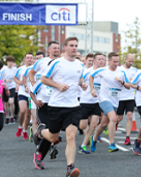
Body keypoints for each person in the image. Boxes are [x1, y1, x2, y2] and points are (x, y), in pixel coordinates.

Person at [33, 37, 86, 177]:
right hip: (56, 106)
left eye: (76, 45)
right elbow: (44, 78)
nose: (74, 48)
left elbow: (79, 78)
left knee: (71, 136)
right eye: (71, 45)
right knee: (52, 136)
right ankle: (40, 133)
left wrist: (82, 84)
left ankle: (70, 167)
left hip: (73, 106)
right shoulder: (57, 63)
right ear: (66, 48)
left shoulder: (80, 65)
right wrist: (58, 85)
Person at [89, 52, 130, 153]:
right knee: (113, 119)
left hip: (115, 101)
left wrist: (122, 82)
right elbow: (91, 76)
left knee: (103, 124)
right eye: (114, 61)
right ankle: (112, 144)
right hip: (104, 99)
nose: (116, 63)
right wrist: (92, 89)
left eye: (118, 61)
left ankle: (93, 138)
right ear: (109, 61)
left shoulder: (121, 72)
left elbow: (129, 86)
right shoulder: (102, 70)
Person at [29, 41, 60, 164]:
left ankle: (43, 139)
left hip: (57, 105)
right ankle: (42, 151)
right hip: (43, 105)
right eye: (54, 48)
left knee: (54, 131)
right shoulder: (41, 63)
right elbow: (32, 74)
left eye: (58, 48)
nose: (56, 50)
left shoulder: (61, 65)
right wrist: (36, 99)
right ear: (49, 50)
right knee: (49, 129)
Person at [78, 52, 105, 154]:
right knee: (83, 126)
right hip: (85, 101)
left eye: (103, 59)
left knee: (93, 124)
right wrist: (83, 85)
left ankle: (83, 145)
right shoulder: (86, 71)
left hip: (97, 102)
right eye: (99, 59)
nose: (102, 61)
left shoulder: (104, 72)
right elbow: (78, 81)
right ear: (94, 60)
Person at [117, 54, 137, 145]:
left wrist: (132, 83)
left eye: (132, 61)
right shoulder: (119, 69)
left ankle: (127, 137)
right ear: (125, 59)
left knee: (130, 116)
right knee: (119, 118)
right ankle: (115, 123)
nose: (131, 63)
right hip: (120, 97)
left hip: (130, 97)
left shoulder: (135, 70)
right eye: (130, 61)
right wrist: (124, 82)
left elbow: (136, 83)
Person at [13, 53, 34, 140]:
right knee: (22, 110)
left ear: (33, 59)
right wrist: (18, 82)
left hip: (31, 93)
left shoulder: (34, 69)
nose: (29, 59)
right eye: (27, 58)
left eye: (31, 58)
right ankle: (20, 126)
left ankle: (25, 131)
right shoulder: (20, 69)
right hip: (22, 92)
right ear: (25, 59)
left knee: (28, 114)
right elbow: (14, 78)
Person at [1, 56, 17, 125]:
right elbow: (0, 79)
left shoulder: (15, 69)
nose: (10, 63)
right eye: (9, 61)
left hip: (12, 87)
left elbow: (17, 78)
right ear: (7, 62)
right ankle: (7, 117)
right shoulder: (3, 69)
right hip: (5, 87)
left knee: (11, 102)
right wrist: (5, 80)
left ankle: (12, 116)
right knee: (6, 103)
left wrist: (17, 85)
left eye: (11, 61)